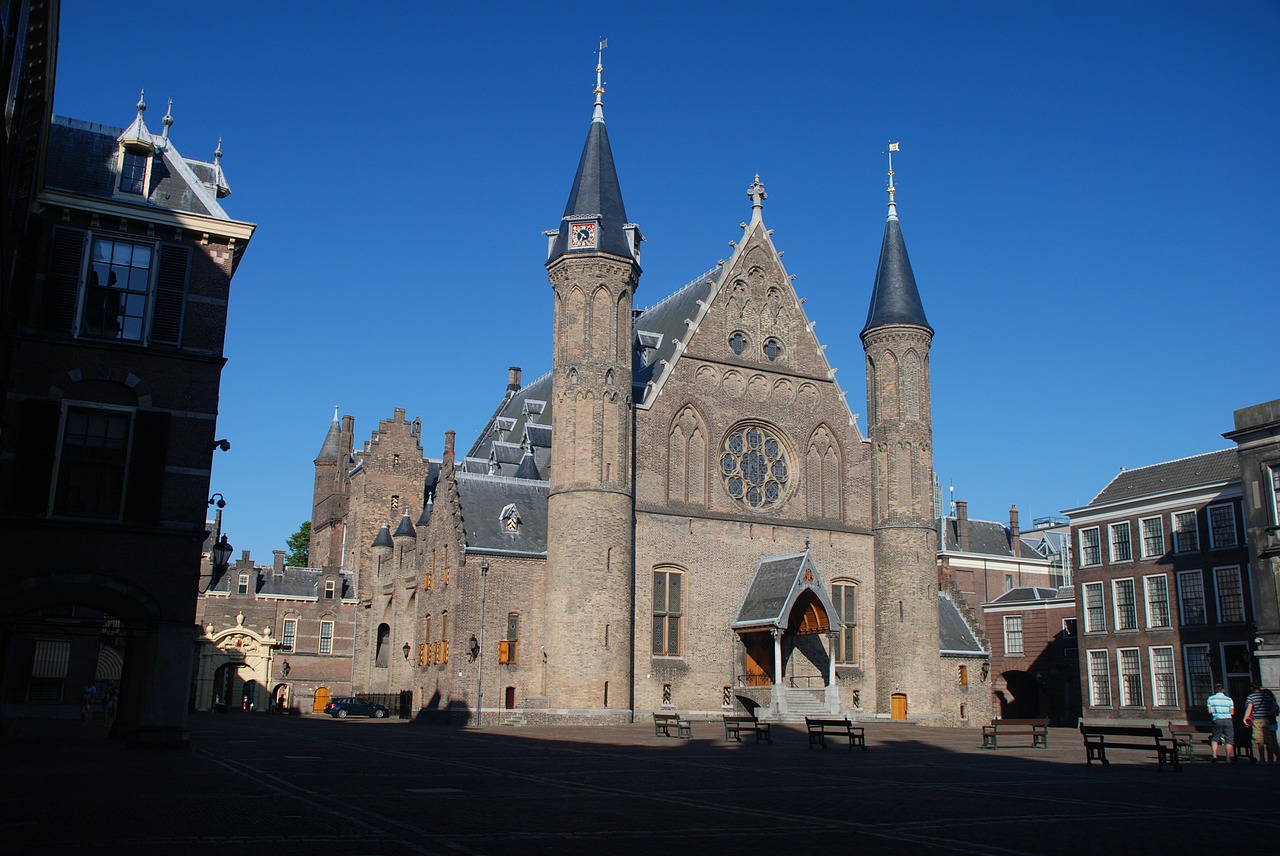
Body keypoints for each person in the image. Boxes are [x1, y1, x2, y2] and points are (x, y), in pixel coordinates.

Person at [1243, 682, 1279, 764]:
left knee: (1259, 740)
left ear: (1252, 688)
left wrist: (1245, 718)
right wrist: (1269, 712)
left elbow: (1249, 708)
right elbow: (1275, 706)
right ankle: (1270, 760)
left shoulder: (1251, 697)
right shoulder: (1266, 696)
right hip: (1266, 720)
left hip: (1257, 720)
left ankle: (1262, 759)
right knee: (1269, 740)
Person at [1207, 684, 1235, 762]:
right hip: (1227, 720)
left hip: (1217, 719)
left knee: (1215, 738)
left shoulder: (1210, 699)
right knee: (1229, 739)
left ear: (1215, 690)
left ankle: (1214, 756)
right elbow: (1232, 712)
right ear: (1223, 690)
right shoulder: (1229, 699)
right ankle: (1228, 758)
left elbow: (1209, 711)